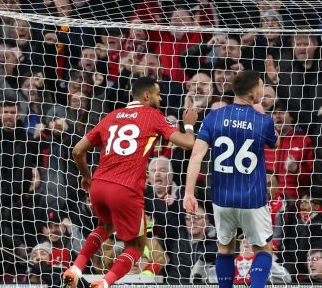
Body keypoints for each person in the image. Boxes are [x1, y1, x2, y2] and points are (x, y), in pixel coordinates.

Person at [63, 76, 198, 288]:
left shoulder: (112, 116)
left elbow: (77, 151)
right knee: (134, 247)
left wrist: (86, 176)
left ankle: (76, 268)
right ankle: (105, 283)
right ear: (146, 96)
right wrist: (189, 124)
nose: (161, 99)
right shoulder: (153, 116)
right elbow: (188, 143)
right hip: (126, 189)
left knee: (104, 227)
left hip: (98, 185)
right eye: (157, 94)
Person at [184, 70, 279, 288]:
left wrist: (189, 193)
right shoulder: (262, 121)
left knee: (225, 248)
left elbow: (197, 155)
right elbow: (275, 143)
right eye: (261, 87)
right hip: (252, 198)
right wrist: (262, 112)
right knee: (263, 250)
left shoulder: (214, 117)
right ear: (254, 94)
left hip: (222, 198)